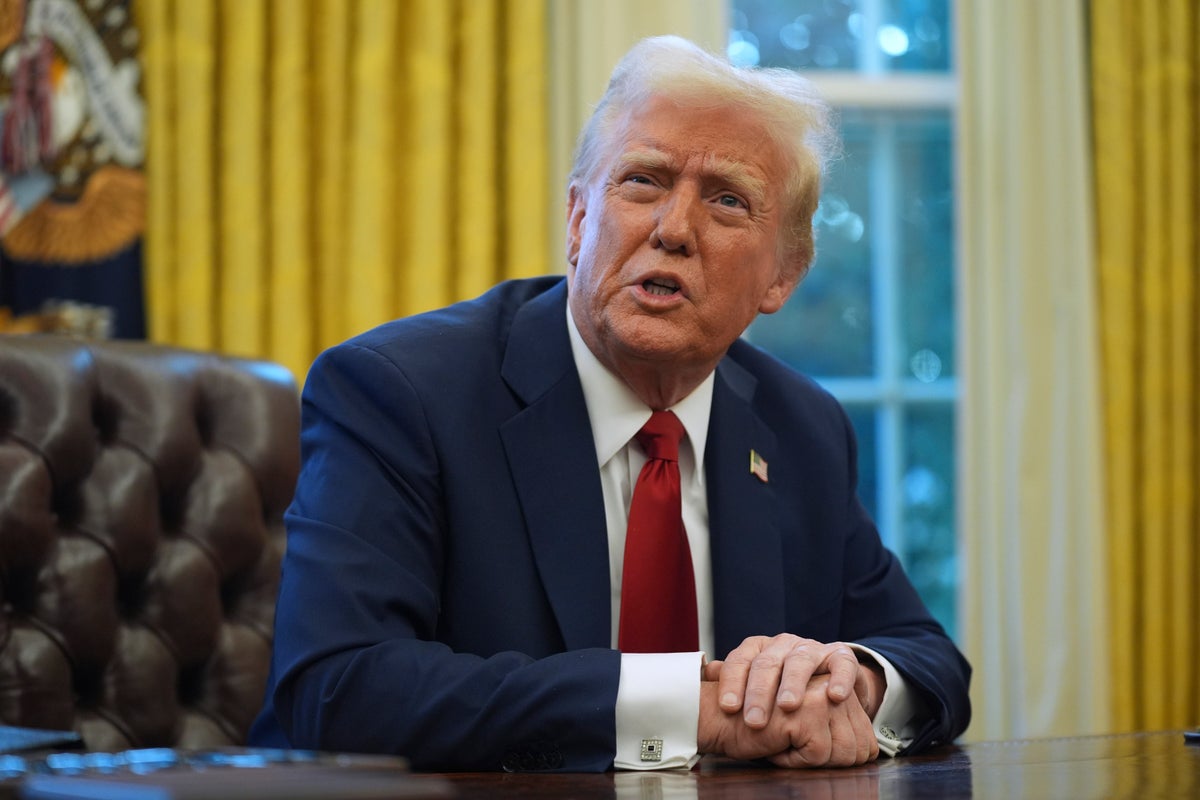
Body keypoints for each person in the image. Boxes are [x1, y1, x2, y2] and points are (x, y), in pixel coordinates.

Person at [249, 35, 971, 772]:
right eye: (642, 182)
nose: (672, 229)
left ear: (782, 275)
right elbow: (335, 691)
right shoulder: (399, 393)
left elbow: (931, 660)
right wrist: (683, 708)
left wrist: (850, 679)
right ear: (577, 220)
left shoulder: (799, 426)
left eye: (726, 200)